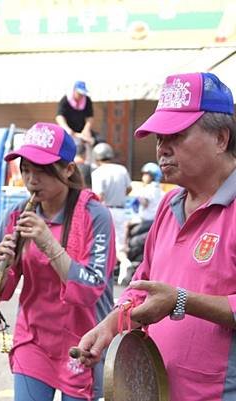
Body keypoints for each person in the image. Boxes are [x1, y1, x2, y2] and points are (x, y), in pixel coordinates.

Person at [76, 72, 236, 401]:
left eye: (175, 135)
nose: (162, 149)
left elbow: (170, 297)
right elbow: (144, 283)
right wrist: (109, 325)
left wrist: (181, 301)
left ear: (221, 138)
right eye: (159, 138)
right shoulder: (169, 203)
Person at [0, 122, 116, 401]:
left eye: (43, 171)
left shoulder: (96, 216)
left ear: (68, 170)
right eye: (26, 169)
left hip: (83, 342)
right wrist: (1, 265)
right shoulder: (16, 215)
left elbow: (89, 289)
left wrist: (47, 242)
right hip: (32, 339)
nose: (32, 179)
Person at [117, 162, 163, 285]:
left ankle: (123, 249)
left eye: (146, 174)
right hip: (152, 221)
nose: (144, 177)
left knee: (125, 225)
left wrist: (137, 197)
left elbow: (145, 203)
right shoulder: (159, 189)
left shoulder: (148, 189)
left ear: (152, 176)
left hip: (145, 221)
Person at [90, 142, 132, 279]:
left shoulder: (98, 173)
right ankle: (121, 266)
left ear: (96, 157)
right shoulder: (122, 169)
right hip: (121, 211)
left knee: (105, 243)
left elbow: (99, 196)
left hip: (106, 211)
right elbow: (129, 189)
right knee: (119, 243)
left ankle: (116, 267)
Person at [56, 81, 96, 147]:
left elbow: (90, 117)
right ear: (74, 90)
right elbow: (59, 117)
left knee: (94, 141)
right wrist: (67, 129)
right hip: (68, 131)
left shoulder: (87, 100)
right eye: (79, 93)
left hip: (81, 131)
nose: (81, 96)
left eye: (83, 94)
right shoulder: (65, 100)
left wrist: (86, 129)